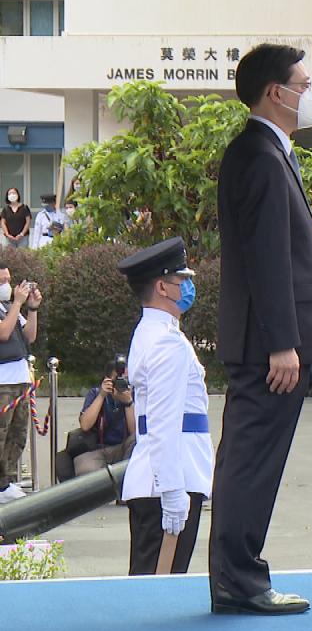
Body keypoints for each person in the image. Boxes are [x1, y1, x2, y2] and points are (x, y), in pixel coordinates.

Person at [213, 43, 312, 615]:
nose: (311, 95)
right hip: (269, 348)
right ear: (275, 92)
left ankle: (240, 576)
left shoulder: (269, 152)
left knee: (253, 459)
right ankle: (240, 580)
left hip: (270, 343)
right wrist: (283, 343)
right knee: (251, 461)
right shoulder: (260, 156)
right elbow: (268, 259)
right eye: (304, 85)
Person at [116, 237, 213, 576]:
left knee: (154, 593)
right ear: (162, 287)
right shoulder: (166, 342)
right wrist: (172, 491)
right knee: (155, 598)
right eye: (181, 280)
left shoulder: (154, 333)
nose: (187, 287)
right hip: (170, 482)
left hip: (166, 478)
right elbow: (164, 422)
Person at [0, 264, 40, 505]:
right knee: (1, 433)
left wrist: (32, 308)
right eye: (2, 280)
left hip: (20, 378)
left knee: (17, 434)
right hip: (2, 382)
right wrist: (17, 303)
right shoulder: (10, 307)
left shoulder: (9, 308)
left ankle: (7, 480)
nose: (7, 284)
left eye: (8, 279)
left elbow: (29, 336)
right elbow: (3, 334)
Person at [73, 356, 137, 476]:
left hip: (126, 447)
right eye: (117, 380)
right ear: (107, 380)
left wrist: (128, 403)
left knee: (135, 443)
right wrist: (102, 395)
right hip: (99, 449)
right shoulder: (96, 393)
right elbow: (85, 425)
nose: (122, 383)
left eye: (126, 380)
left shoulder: (134, 395)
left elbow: (135, 432)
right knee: (84, 468)